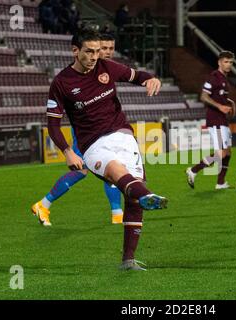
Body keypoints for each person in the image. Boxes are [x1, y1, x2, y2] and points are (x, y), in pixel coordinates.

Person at [37, 26, 167, 271]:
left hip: (124, 137)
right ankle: (146, 194)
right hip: (93, 145)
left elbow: (138, 75)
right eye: (89, 51)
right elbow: (52, 125)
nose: (95, 56)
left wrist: (152, 78)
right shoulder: (62, 83)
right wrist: (67, 151)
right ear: (75, 51)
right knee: (117, 172)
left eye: (97, 51)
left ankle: (128, 260)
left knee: (133, 202)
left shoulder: (107, 67)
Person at [32, 34, 123, 226]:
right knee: (88, 169)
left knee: (106, 167)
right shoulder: (68, 79)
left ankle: (117, 213)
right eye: (102, 49)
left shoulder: (103, 69)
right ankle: (43, 204)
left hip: (105, 131)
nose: (105, 53)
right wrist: (67, 151)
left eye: (109, 49)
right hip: (87, 133)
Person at [185, 51, 236, 190]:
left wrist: (229, 105)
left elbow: (221, 98)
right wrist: (220, 106)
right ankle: (193, 170)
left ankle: (220, 183)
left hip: (222, 120)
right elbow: (203, 96)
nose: (228, 64)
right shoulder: (214, 77)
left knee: (228, 153)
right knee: (221, 153)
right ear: (219, 62)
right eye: (226, 61)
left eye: (231, 62)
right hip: (215, 120)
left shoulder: (224, 79)